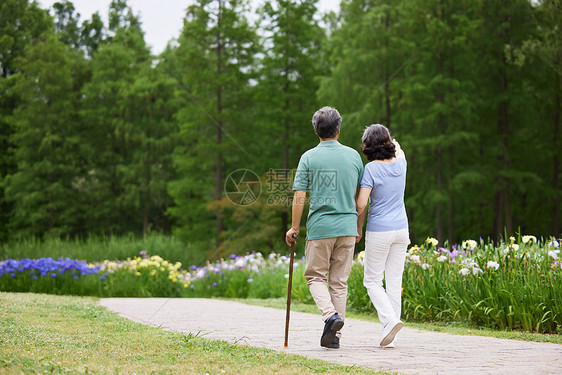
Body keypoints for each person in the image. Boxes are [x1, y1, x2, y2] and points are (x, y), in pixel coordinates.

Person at [285, 106, 364, 349]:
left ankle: (330, 316)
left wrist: (294, 227)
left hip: (321, 227)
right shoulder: (354, 156)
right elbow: (363, 199)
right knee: (339, 282)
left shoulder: (309, 157)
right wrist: (358, 227)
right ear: (339, 130)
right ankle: (334, 339)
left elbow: (300, 195)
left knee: (314, 276)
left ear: (315, 130)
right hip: (348, 226)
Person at [356, 123, 408, 348]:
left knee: (372, 280)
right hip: (402, 230)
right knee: (394, 281)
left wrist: (357, 225)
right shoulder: (402, 163)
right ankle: (390, 337)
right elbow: (397, 146)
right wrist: (387, 138)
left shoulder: (371, 170)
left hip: (379, 230)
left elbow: (361, 204)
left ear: (368, 146)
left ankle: (391, 320)